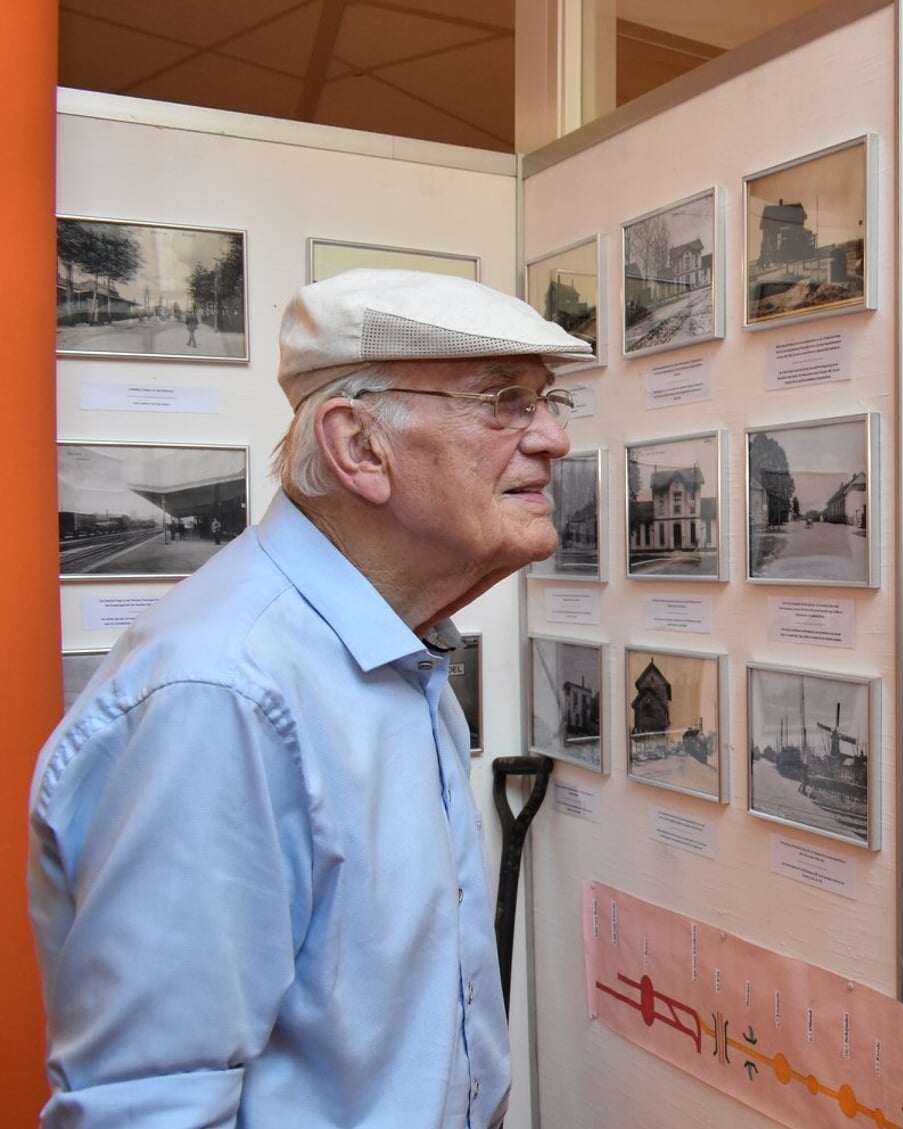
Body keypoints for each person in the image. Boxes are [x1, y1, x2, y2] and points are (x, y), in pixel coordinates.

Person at [28, 269, 592, 1127]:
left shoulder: (398, 646)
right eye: (503, 401)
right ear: (359, 446)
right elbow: (151, 1108)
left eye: (546, 399)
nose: (551, 435)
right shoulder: (222, 693)